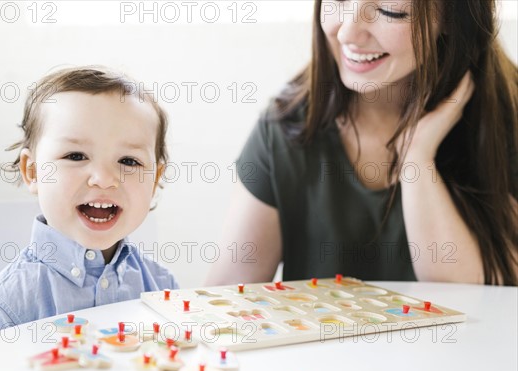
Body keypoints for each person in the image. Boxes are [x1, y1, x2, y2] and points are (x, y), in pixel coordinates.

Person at [207, 0, 517, 286]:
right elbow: (222, 308)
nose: (347, 32)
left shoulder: (506, 119)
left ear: (451, 17)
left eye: (388, 11)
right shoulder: (287, 129)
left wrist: (417, 160)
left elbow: (476, 306)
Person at [0, 66, 178, 337]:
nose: (103, 179)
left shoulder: (162, 287)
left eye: (128, 161)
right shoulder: (8, 304)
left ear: (154, 179)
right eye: (76, 156)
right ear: (32, 171)